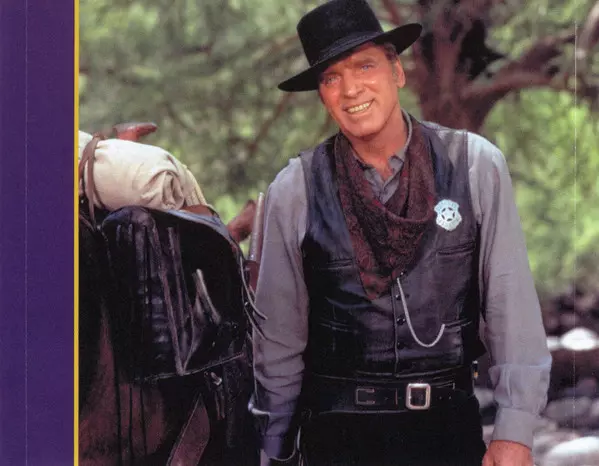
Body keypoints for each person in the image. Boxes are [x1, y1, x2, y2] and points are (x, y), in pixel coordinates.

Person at [250, 1, 551, 465]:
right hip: (335, 438)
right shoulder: (294, 189)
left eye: (364, 66)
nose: (351, 89)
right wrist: (274, 451)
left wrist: (516, 431)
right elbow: (278, 343)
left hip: (447, 431)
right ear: (323, 95)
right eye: (331, 78)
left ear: (397, 72)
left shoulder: (475, 165)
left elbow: (511, 311)